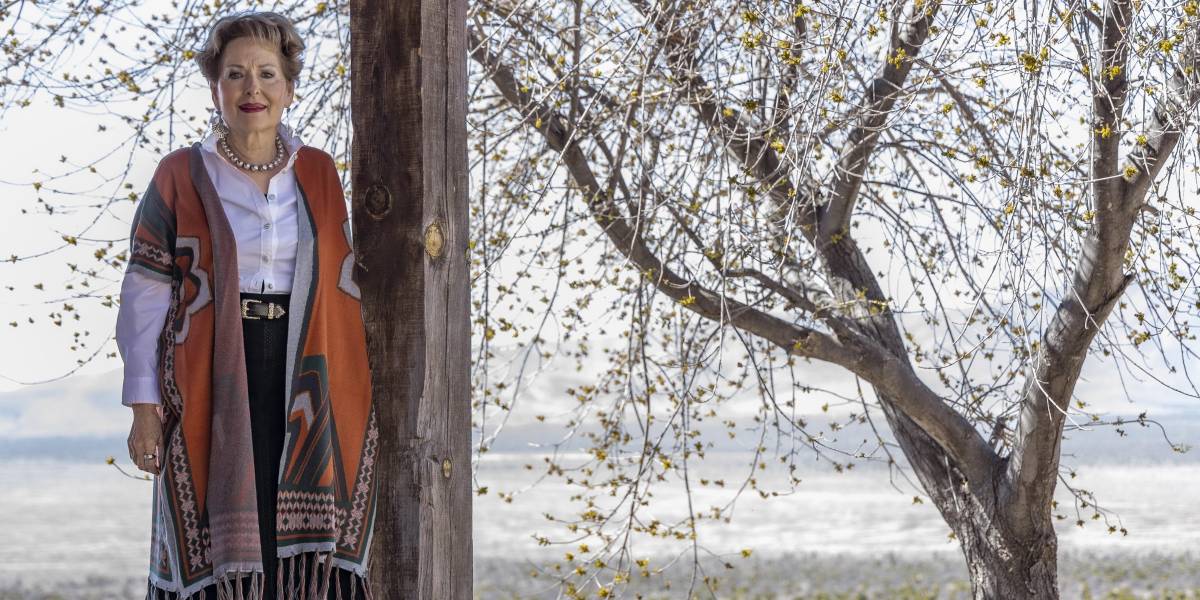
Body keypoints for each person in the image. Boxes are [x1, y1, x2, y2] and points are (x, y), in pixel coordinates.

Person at [116, 11, 378, 600]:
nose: (251, 89)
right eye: (235, 74)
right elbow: (145, 292)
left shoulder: (319, 172)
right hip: (212, 373)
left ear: (288, 86)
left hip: (305, 373)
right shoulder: (180, 175)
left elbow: (343, 286)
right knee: (222, 530)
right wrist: (143, 404)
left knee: (296, 533)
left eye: (266, 73)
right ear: (216, 86)